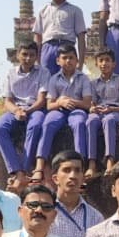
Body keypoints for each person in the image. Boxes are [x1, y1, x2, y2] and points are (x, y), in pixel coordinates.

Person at [0, 41, 49, 185]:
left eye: (31, 55)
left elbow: (41, 100)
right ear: (18, 55)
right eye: (24, 54)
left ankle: (24, 169)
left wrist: (27, 111)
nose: (28, 58)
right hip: (15, 110)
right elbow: (7, 101)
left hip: (35, 109)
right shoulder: (11, 73)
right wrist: (17, 111)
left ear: (36, 56)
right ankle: (15, 170)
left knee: (35, 126)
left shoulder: (43, 72)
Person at [44, 44, 92, 173]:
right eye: (64, 58)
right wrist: (60, 103)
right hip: (59, 110)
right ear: (58, 61)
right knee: (48, 123)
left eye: (71, 58)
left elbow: (87, 104)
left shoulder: (83, 78)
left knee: (79, 123)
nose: (68, 61)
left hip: (77, 110)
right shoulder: (54, 79)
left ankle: (80, 164)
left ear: (77, 60)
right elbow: (49, 105)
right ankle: (41, 163)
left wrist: (71, 101)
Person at [86, 48, 119, 179]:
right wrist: (92, 109)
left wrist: (112, 109)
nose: (104, 63)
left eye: (107, 60)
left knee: (109, 120)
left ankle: (110, 161)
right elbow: (92, 103)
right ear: (96, 64)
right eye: (101, 61)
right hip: (99, 111)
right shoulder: (93, 83)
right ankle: (91, 164)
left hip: (114, 111)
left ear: (114, 64)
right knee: (90, 121)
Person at [32, 0, 87, 74]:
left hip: (68, 47)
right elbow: (37, 37)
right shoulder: (42, 10)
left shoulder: (75, 10)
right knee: (46, 80)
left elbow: (81, 37)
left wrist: (81, 61)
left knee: (68, 81)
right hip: (48, 48)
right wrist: (37, 60)